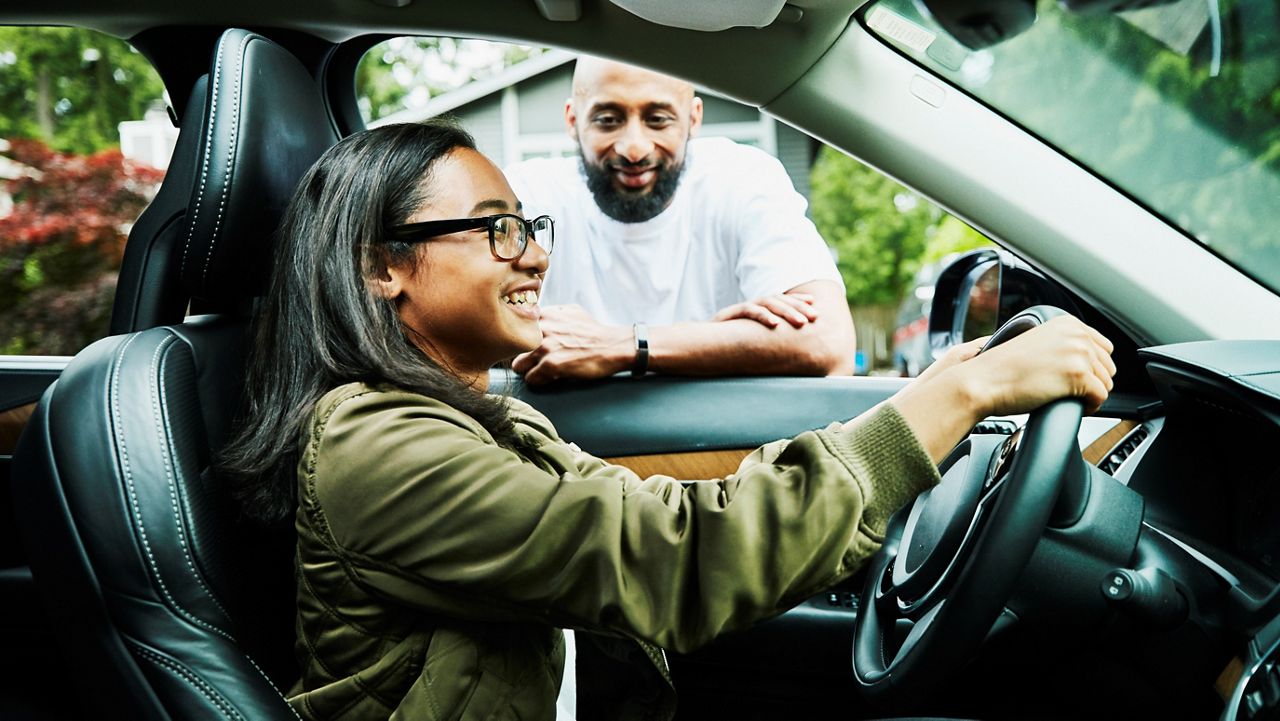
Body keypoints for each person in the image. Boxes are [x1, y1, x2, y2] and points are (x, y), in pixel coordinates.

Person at [220, 121, 1116, 721]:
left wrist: (928, 400)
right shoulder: (378, 444)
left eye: (528, 224)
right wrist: (952, 402)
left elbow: (653, 510)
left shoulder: (471, 416)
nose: (533, 251)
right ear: (385, 267)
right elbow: (672, 555)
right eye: (496, 229)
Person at [503, 58, 858, 384]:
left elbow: (828, 343)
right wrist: (717, 340)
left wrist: (622, 345)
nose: (634, 149)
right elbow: (461, 338)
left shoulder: (742, 178)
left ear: (693, 118)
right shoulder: (527, 194)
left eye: (658, 119)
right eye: (608, 120)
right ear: (573, 121)